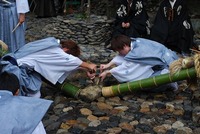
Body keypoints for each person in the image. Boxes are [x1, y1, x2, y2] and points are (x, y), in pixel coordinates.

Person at [0, 37, 97, 97]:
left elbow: (62, 62)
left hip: (16, 67)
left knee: (35, 95)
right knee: (21, 97)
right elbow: (68, 60)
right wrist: (89, 65)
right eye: (69, 54)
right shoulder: (55, 50)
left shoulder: (50, 44)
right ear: (66, 49)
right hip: (13, 71)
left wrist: (84, 68)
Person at [99, 34, 178, 91]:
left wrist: (108, 72)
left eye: (119, 50)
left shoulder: (138, 52)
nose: (119, 53)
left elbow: (128, 67)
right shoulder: (135, 42)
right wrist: (108, 65)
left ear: (125, 46)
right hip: (166, 59)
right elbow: (123, 57)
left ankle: (170, 83)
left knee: (145, 85)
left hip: (169, 65)